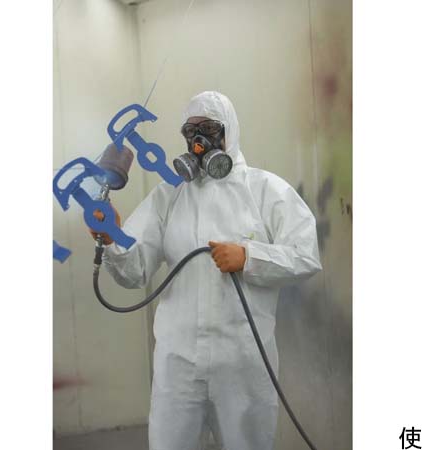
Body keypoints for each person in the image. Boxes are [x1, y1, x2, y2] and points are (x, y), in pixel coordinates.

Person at [92, 91, 322, 450]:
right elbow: (135, 271)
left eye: (209, 129)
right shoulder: (169, 195)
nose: (198, 140)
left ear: (230, 132)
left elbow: (306, 255)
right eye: (190, 131)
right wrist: (110, 239)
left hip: (243, 363)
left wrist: (249, 257)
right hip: (178, 362)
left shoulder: (265, 190)